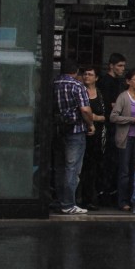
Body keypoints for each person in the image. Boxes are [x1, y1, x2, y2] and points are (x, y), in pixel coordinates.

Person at [52, 60, 94, 215]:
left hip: (58, 129)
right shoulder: (77, 86)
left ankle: (59, 200)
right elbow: (84, 109)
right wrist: (90, 124)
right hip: (75, 130)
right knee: (72, 168)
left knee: (60, 168)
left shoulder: (53, 83)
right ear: (76, 72)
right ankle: (68, 203)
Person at [109, 68, 135, 212]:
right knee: (124, 171)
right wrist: (132, 120)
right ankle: (122, 201)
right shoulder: (123, 97)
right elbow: (113, 116)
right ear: (128, 81)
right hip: (126, 138)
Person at [96, 52, 127, 204]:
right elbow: (111, 105)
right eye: (119, 66)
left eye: (123, 66)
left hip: (114, 125)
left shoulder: (116, 82)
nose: (122, 69)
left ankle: (107, 191)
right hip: (109, 126)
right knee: (109, 160)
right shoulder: (107, 82)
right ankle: (105, 191)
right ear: (111, 66)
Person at [78, 66, 109, 210]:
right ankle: (81, 198)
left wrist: (93, 117)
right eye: (85, 74)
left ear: (96, 78)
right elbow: (80, 111)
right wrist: (91, 120)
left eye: (90, 74)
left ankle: (92, 198)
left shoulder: (101, 94)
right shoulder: (80, 92)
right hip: (82, 133)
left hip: (98, 136)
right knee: (81, 167)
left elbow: (106, 116)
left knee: (95, 168)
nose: (86, 77)